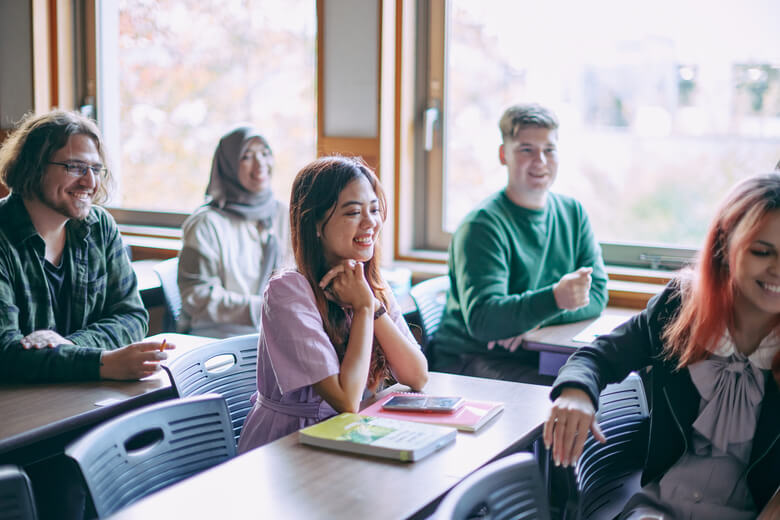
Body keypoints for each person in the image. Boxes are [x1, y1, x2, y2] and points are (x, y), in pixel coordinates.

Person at [544, 173, 780, 519]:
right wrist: (576, 392)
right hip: (659, 508)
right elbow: (600, 356)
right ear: (725, 247)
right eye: (763, 251)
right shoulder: (679, 306)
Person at [238, 156, 428, 452]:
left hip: (348, 435)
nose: (370, 223)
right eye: (353, 212)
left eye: (374, 210)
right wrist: (364, 309)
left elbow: (417, 375)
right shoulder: (287, 291)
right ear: (314, 223)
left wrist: (372, 306)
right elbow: (346, 401)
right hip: (288, 446)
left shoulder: (369, 282)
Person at [432, 103, 608, 384]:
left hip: (526, 354)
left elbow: (597, 295)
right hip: (471, 361)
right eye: (526, 149)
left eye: (549, 150)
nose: (540, 160)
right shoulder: (482, 226)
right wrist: (555, 299)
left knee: (605, 384)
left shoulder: (573, 213)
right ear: (504, 155)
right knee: (567, 392)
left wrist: (534, 320)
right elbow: (485, 321)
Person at [0, 110, 172, 383]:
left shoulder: (100, 227)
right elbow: (5, 355)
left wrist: (67, 347)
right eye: (75, 167)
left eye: (95, 169)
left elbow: (132, 316)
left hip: (85, 393)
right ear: (34, 165)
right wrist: (101, 362)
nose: (90, 182)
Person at [177, 126, 291, 338]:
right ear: (228, 165)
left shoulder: (283, 213)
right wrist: (261, 309)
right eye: (246, 157)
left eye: (265, 154)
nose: (260, 165)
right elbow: (197, 296)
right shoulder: (206, 224)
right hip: (219, 337)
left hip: (274, 332)